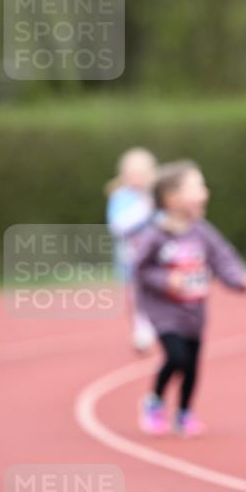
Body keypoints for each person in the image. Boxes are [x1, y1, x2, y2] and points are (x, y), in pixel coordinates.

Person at [133, 160, 246, 436]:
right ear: (172, 198)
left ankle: (184, 413)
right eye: (197, 187)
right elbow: (140, 269)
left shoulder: (201, 231)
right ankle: (154, 401)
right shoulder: (155, 236)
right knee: (176, 357)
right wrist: (166, 280)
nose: (205, 193)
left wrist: (239, 279)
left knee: (192, 365)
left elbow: (221, 256)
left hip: (195, 312)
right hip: (165, 312)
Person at [105, 147, 158, 352]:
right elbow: (118, 225)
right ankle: (142, 330)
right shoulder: (120, 197)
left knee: (157, 291)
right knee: (136, 295)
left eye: (141, 174)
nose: (137, 179)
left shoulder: (156, 195)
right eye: (132, 174)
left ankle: (158, 324)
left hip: (156, 257)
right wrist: (145, 208)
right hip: (131, 257)